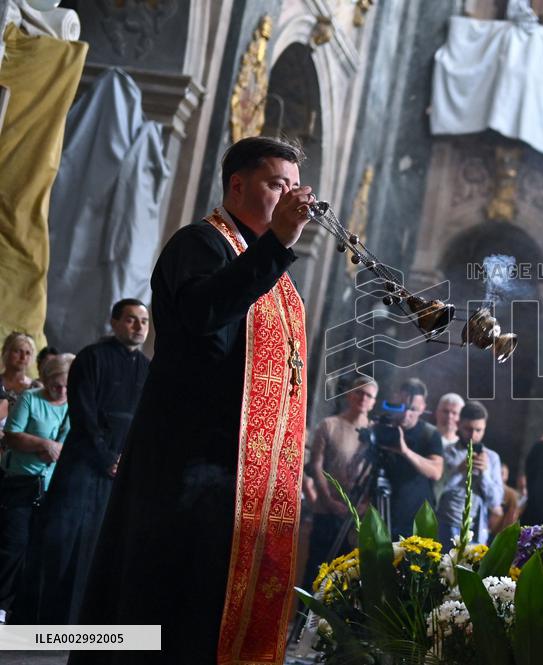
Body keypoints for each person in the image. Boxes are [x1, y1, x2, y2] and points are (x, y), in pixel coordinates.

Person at [71, 137, 316, 665]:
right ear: (237, 185)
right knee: (160, 599)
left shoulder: (268, 266)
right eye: (278, 184)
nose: (290, 196)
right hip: (184, 459)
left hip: (236, 472)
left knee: (207, 607)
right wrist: (278, 243)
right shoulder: (199, 244)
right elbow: (206, 315)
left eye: (295, 187)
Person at [22, 300, 150, 625]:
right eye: (132, 320)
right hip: (83, 469)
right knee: (62, 548)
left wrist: (129, 462)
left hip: (117, 475)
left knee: (98, 554)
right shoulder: (92, 358)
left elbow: (147, 421)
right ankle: (43, 630)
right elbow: (84, 413)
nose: (139, 327)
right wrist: (107, 458)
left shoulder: (148, 368)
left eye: (144, 321)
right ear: (115, 322)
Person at [0, 353, 72, 624]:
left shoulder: (72, 406)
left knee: (40, 548)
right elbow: (13, 435)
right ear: (47, 380)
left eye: (66, 386)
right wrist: (45, 445)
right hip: (21, 482)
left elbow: (69, 445)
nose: (61, 390)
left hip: (51, 487)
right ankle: (2, 605)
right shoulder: (31, 399)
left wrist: (52, 448)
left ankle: (25, 609)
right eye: (56, 384)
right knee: (14, 545)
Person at [303, 375, 378, 581]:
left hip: (357, 518)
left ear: (373, 402)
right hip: (326, 511)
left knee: (346, 578)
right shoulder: (329, 425)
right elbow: (316, 465)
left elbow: (377, 473)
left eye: (368, 395)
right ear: (349, 395)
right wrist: (328, 500)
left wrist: (365, 505)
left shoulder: (375, 433)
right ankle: (304, 614)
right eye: (359, 392)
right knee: (316, 572)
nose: (363, 398)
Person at [381, 378, 443, 539]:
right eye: (403, 406)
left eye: (413, 409)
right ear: (396, 400)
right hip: (380, 510)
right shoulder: (383, 428)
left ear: (423, 408)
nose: (406, 414)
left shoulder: (429, 434)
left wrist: (405, 451)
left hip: (414, 518)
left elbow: (436, 472)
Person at [436, 401, 503, 545]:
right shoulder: (446, 452)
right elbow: (437, 492)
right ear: (458, 424)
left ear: (485, 427)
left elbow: (496, 501)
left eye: (479, 430)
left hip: (478, 529)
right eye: (468, 429)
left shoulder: (492, 458)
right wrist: (459, 471)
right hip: (447, 524)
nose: (473, 435)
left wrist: (485, 473)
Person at [0, 333, 40, 432]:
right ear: (6, 352)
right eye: (18, 351)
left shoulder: (36, 388)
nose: (23, 357)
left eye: (28, 353)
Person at [432, 392, 464, 500]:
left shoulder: (464, 448)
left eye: (454, 413)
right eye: (445, 411)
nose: (449, 416)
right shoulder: (426, 439)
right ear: (437, 413)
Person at [491, 463, 522, 536]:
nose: (500, 476)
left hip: (500, 532)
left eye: (502, 473)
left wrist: (505, 532)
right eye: (498, 472)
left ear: (507, 476)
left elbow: (512, 515)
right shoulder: (489, 490)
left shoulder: (511, 494)